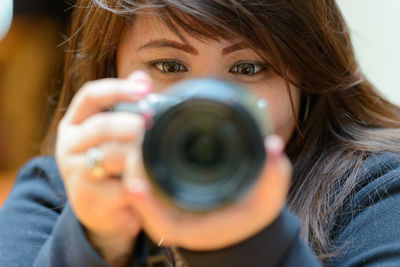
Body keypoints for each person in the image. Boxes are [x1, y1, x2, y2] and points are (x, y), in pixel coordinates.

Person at [1, 0, 400, 266]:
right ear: (113, 73)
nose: (206, 106)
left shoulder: (378, 193)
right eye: (169, 67)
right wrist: (92, 242)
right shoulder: (54, 195)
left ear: (307, 83)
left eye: (248, 69)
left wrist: (253, 244)